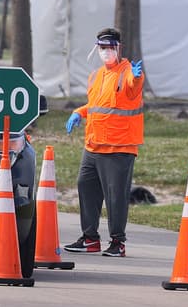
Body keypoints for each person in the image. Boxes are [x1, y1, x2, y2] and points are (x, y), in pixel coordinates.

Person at [62, 27, 144, 257]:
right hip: (93, 145)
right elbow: (97, 106)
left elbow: (132, 88)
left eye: (110, 47)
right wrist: (78, 112)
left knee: (116, 197)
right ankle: (90, 239)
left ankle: (118, 242)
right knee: (85, 187)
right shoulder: (96, 76)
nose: (106, 51)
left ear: (118, 48)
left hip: (119, 147)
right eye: (102, 47)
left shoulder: (128, 73)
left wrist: (137, 77)